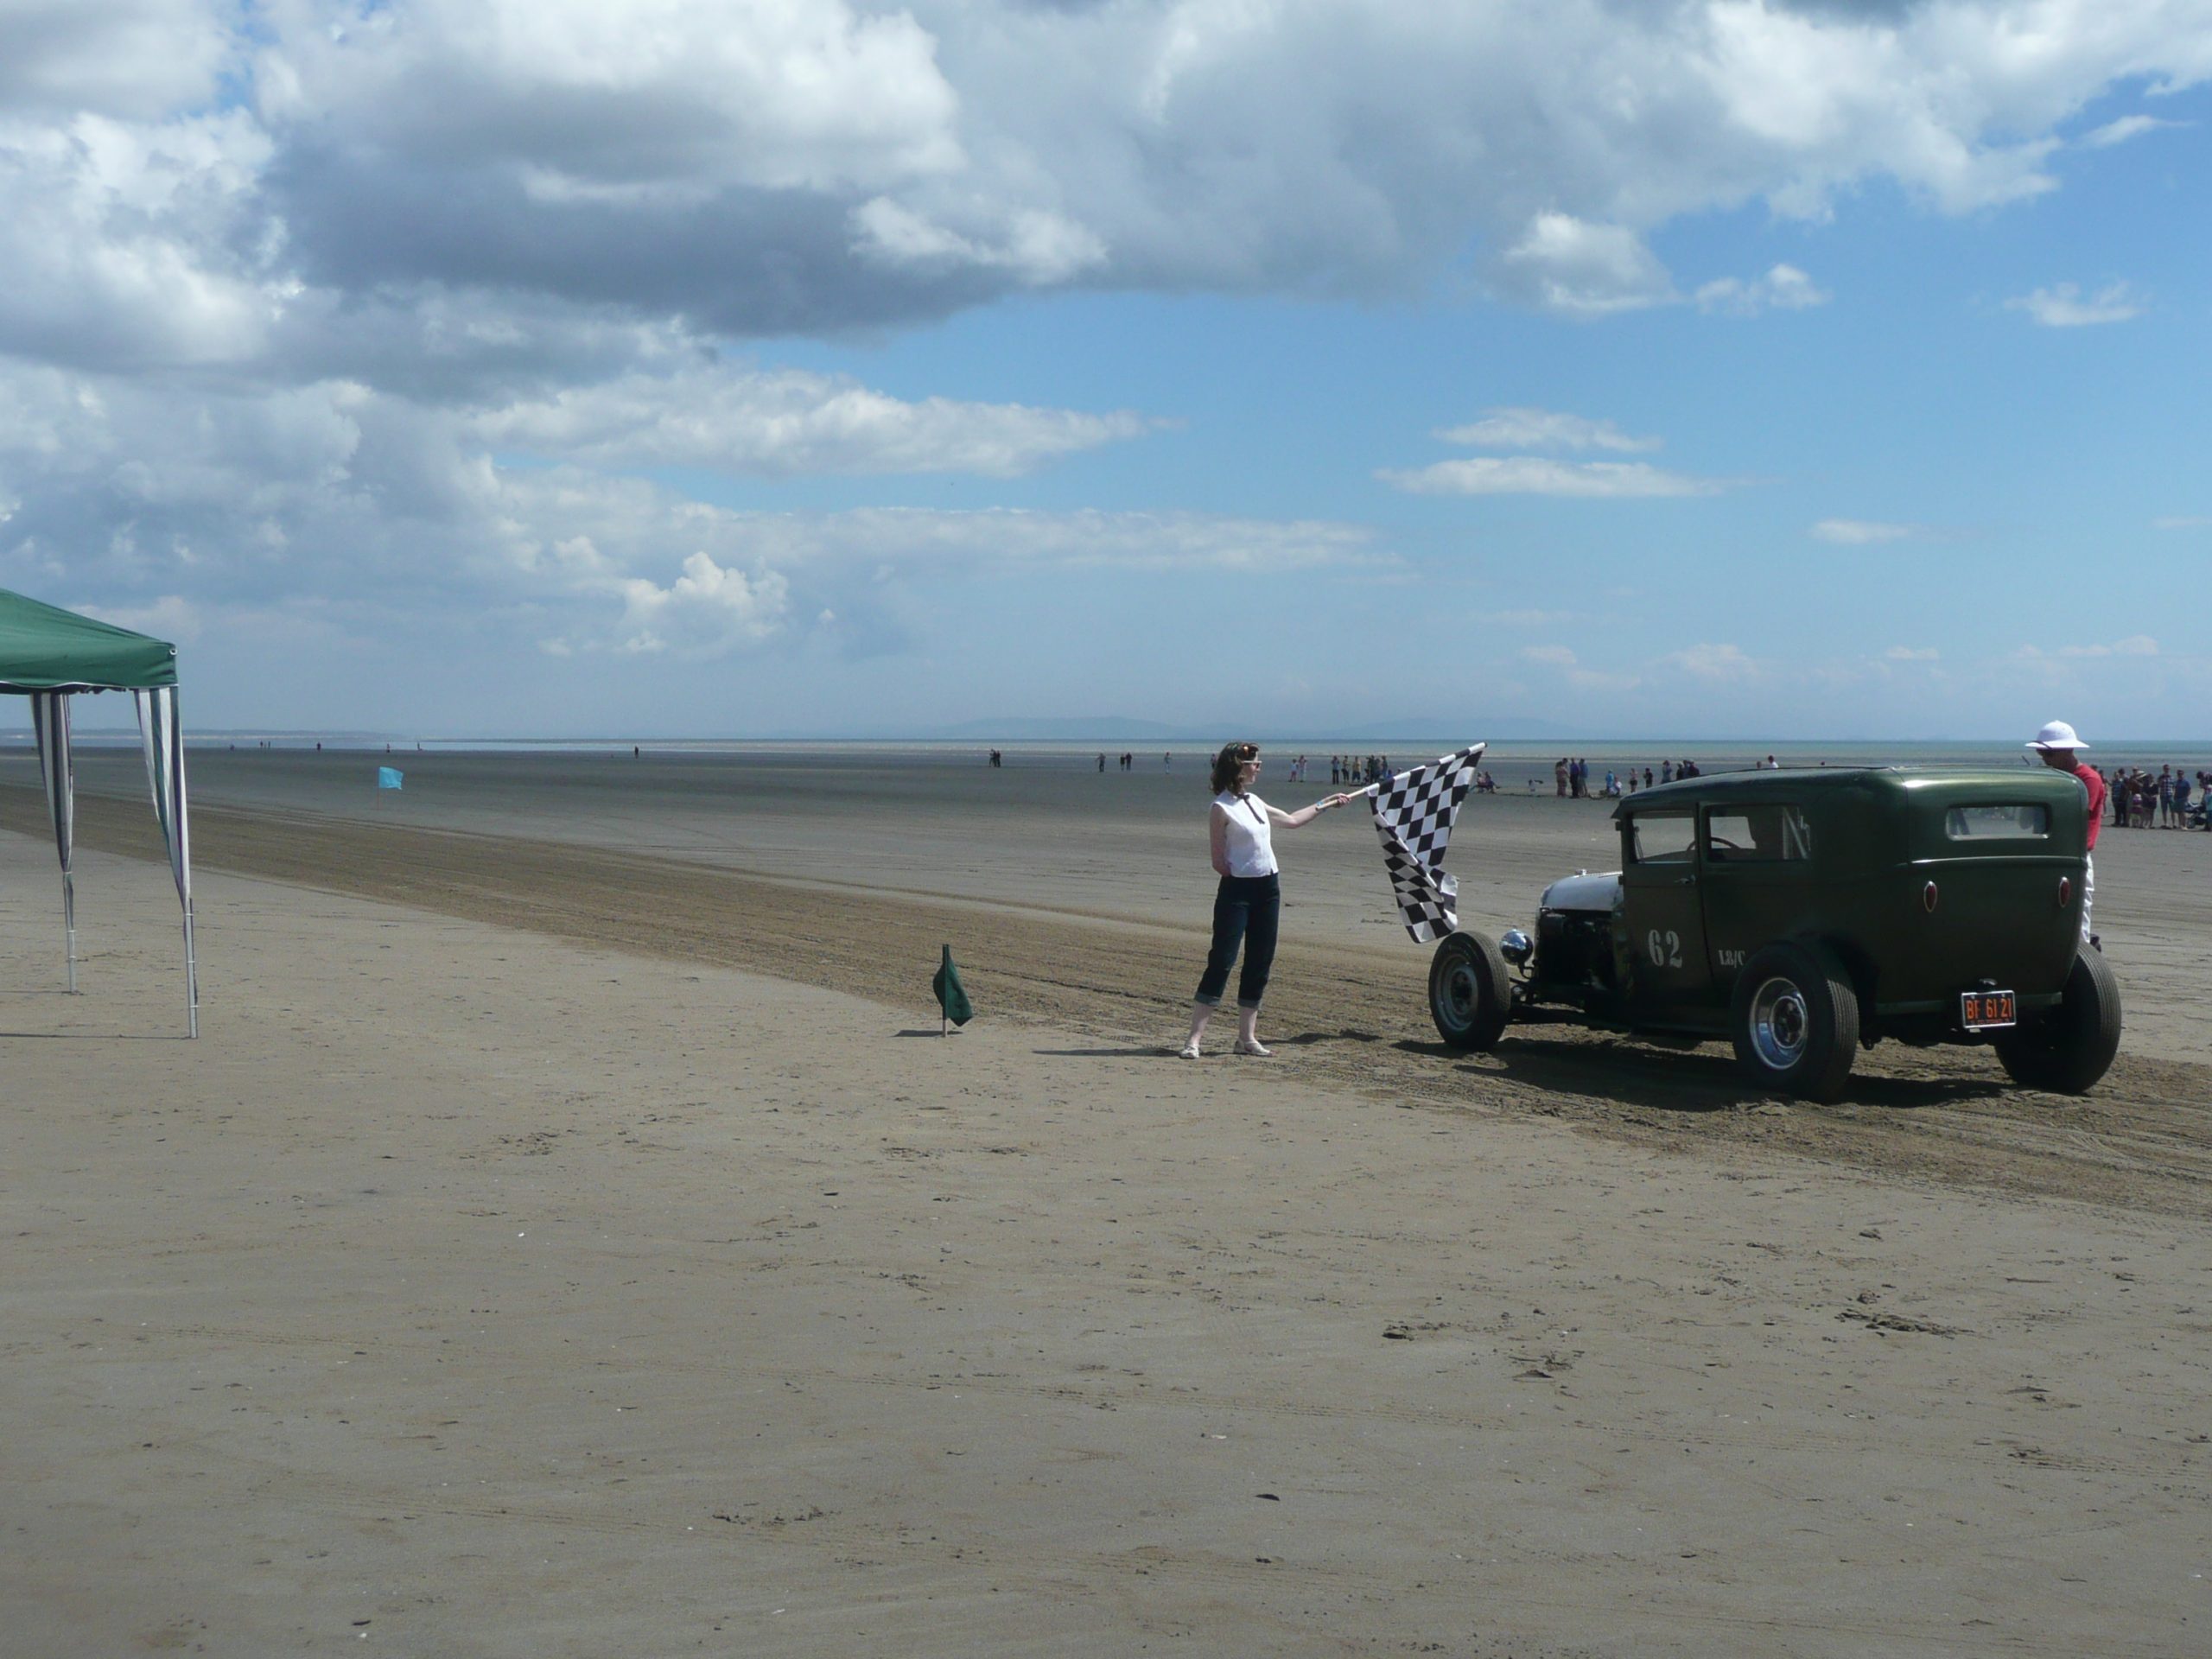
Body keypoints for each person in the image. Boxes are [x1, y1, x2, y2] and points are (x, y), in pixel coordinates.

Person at [1181, 742, 1360, 1059]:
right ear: (1237, 767)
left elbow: (1291, 820)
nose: (1258, 767)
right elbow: (1218, 861)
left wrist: (1327, 803)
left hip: (1268, 890)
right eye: (1254, 763)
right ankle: (1194, 1040)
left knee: (1259, 961)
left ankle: (1246, 1039)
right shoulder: (1220, 808)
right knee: (1222, 960)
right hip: (1237, 891)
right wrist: (1242, 874)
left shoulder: (1254, 801)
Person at [2028, 721, 2105, 947]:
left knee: (2078, 913)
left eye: (2048, 753)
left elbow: (2075, 814)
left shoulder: (2088, 779)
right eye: (2041, 753)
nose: (2044, 758)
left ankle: (2080, 954)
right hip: (2052, 853)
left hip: (2075, 855)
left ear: (2067, 751)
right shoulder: (2057, 778)